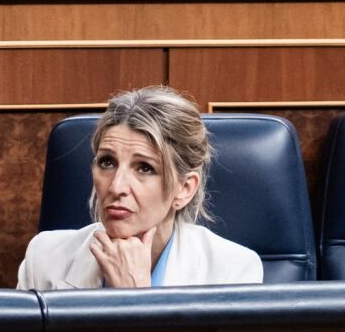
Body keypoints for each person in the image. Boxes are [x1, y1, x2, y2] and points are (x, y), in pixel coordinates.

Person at [17, 86, 263, 290]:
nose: (117, 186)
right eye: (107, 162)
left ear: (184, 189)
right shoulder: (44, 259)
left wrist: (135, 298)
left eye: (144, 168)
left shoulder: (233, 272)